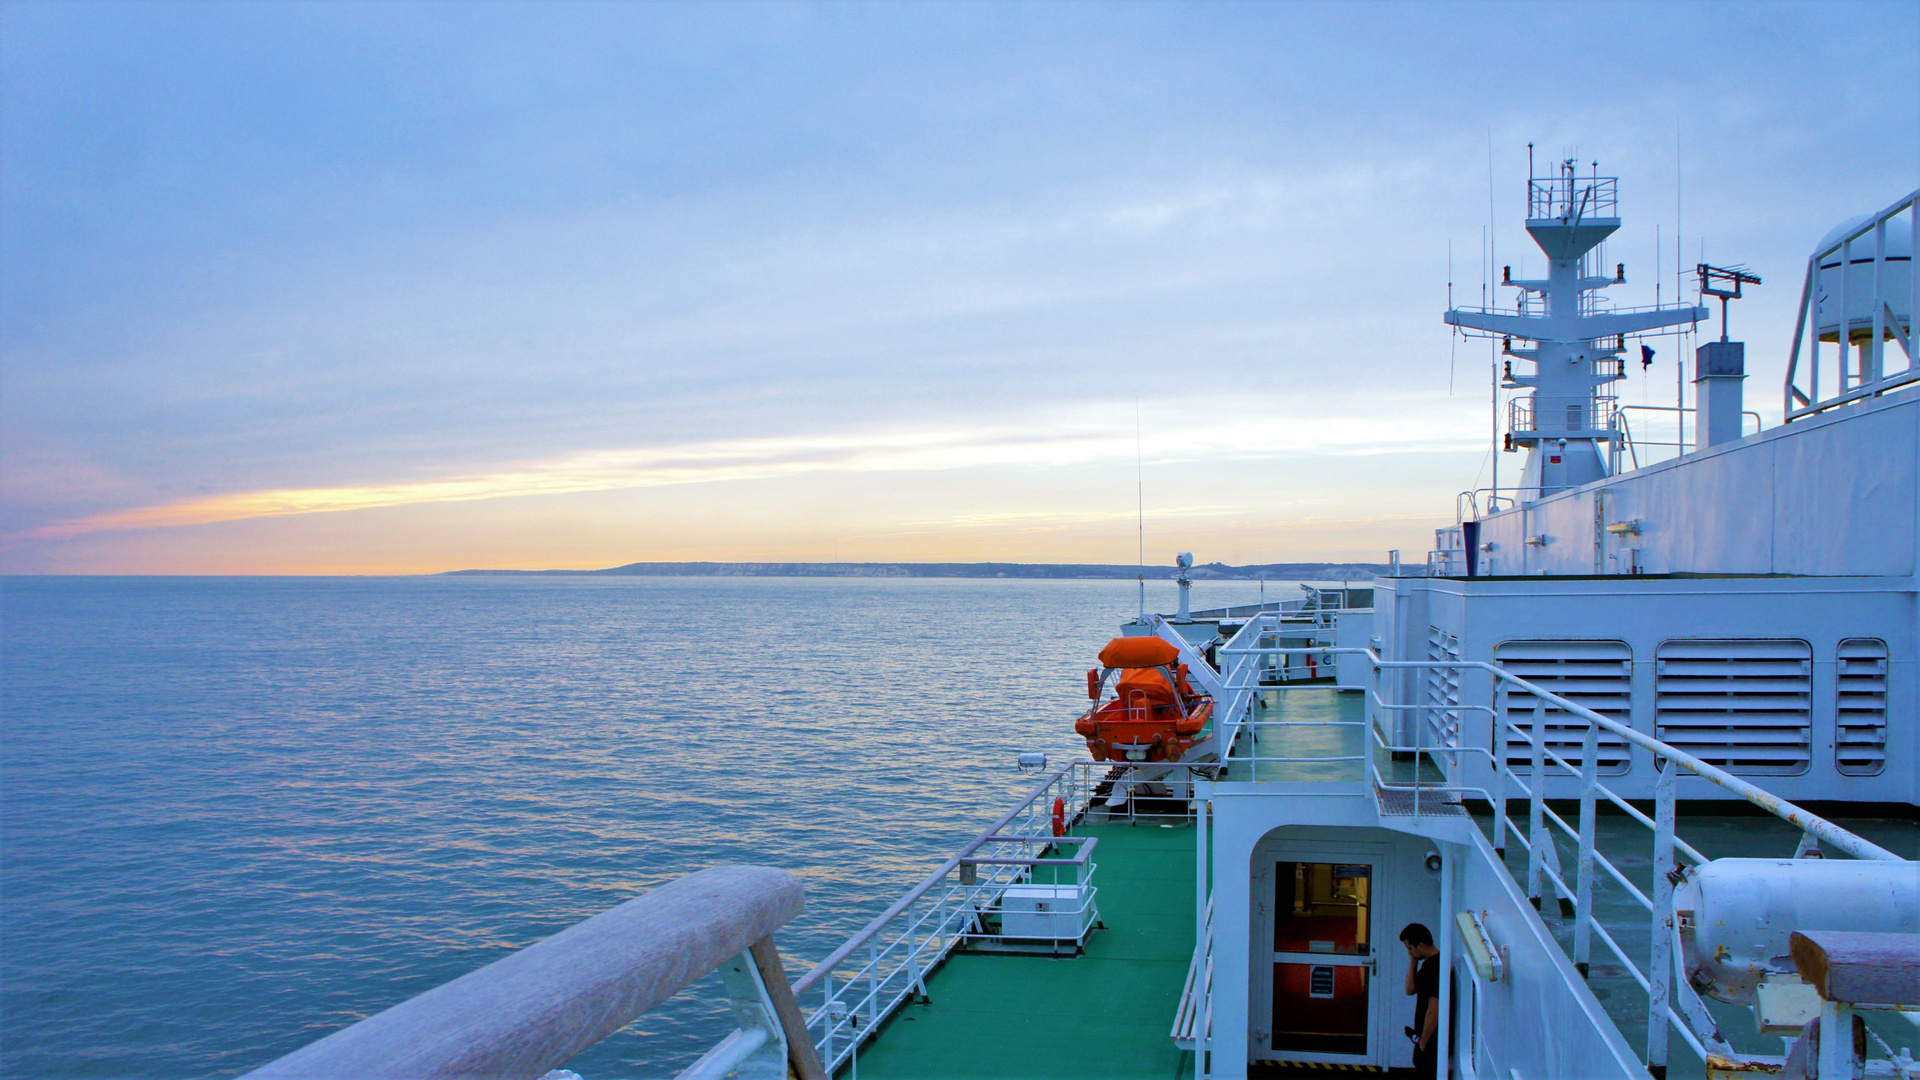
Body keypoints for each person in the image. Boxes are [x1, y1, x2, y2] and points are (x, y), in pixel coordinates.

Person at [1401, 922, 1440, 1079]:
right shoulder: (1426, 966)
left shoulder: (1434, 968)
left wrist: (1423, 1042)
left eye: (1411, 948)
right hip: (1424, 1038)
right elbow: (1410, 989)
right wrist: (1413, 961)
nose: (1409, 952)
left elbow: (1434, 1009)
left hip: (1430, 1042)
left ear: (1421, 946)